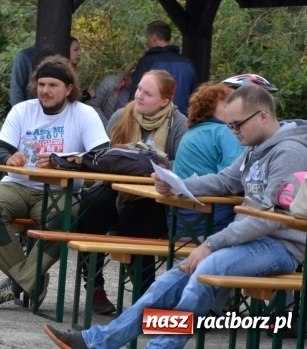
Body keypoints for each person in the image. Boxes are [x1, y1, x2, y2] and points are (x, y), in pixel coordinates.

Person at [43, 84, 307, 349]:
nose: (234, 132)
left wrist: (211, 244)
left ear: (263, 115)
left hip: (280, 246)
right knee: (169, 281)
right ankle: (98, 342)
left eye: (237, 125)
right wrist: (178, 186)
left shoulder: (290, 153)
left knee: (205, 270)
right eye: (230, 126)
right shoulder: (256, 146)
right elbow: (226, 180)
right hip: (247, 241)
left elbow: (269, 219)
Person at [0, 55, 110, 310]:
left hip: (61, 190)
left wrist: (63, 162)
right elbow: (0, 148)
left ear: (68, 88)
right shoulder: (22, 110)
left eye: (53, 85)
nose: (45, 90)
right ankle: (33, 279)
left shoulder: (84, 114)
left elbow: (101, 155)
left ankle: (18, 284)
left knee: (67, 216)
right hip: (17, 184)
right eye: (41, 84)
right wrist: (10, 156)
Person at [76, 69, 188, 315]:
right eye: (139, 89)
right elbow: (103, 159)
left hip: (157, 197)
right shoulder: (120, 116)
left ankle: (144, 299)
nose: (139, 96)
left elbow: (181, 167)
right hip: (116, 189)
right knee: (88, 211)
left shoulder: (179, 124)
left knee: (134, 224)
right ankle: (95, 287)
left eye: (148, 93)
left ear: (165, 101)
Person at [171, 82, 243, 237]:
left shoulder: (190, 133)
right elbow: (236, 180)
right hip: (209, 223)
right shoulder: (224, 132)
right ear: (210, 108)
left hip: (178, 222)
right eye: (227, 103)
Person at [129, 20, 198, 115]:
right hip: (182, 121)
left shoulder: (147, 61)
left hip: (153, 121)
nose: (146, 42)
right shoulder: (188, 63)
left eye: (147, 38)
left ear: (153, 38)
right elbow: (196, 96)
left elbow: (135, 94)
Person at [10, 38, 93, 106]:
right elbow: (16, 89)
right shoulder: (25, 56)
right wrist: (21, 115)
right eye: (76, 50)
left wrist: (85, 96)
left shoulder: (66, 67)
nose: (79, 54)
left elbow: (68, 98)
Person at [88, 62, 135, 127]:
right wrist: (108, 127)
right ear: (126, 75)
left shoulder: (141, 92)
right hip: (105, 127)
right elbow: (93, 105)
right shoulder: (110, 83)